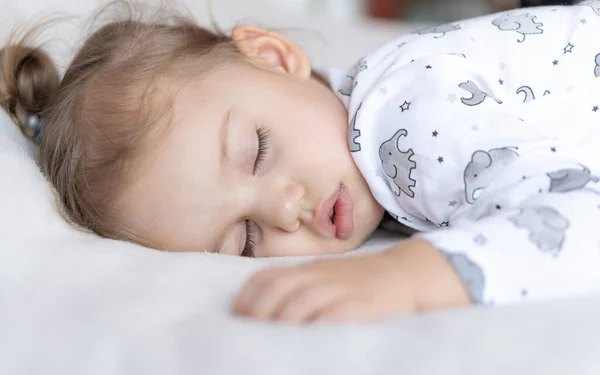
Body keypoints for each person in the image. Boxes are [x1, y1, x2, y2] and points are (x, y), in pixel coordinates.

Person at [1, 1, 600, 324]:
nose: (286, 210)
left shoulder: (408, 121)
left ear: (274, 55)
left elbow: (581, 217)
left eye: (257, 149)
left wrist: (407, 277)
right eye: (245, 239)